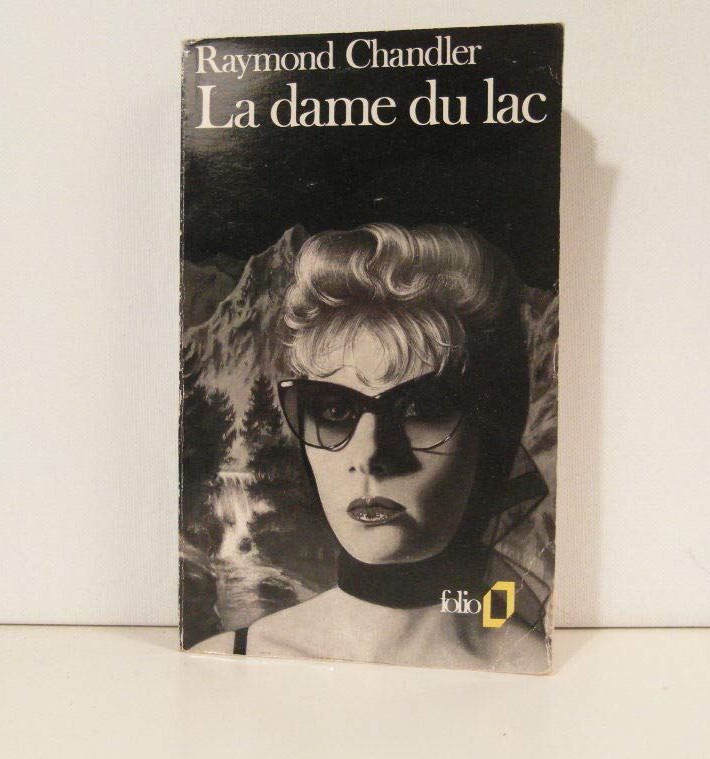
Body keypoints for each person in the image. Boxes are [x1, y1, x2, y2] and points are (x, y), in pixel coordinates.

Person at [193, 223, 550, 672]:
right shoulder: (227, 660)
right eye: (335, 411)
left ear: (490, 433)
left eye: (419, 410)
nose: (369, 456)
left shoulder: (534, 671)